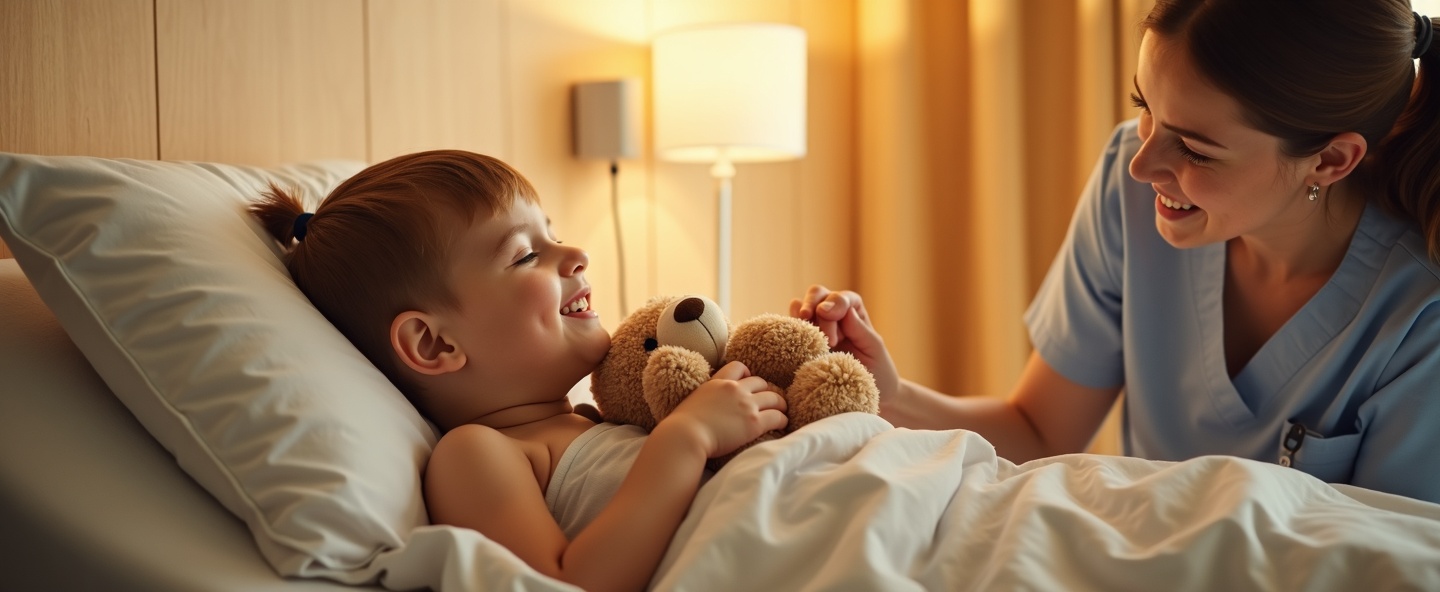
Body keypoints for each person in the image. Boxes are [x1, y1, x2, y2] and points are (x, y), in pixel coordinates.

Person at [793, 0, 1440, 504]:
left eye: (1194, 148)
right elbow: (1039, 431)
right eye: (1145, 108)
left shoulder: (1419, 317)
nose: (1140, 163)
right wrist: (892, 391)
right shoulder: (1132, 199)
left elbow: (1382, 553)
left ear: (1329, 159)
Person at [250, 150, 788, 591]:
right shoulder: (476, 453)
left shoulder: (598, 417)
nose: (576, 252)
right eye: (526, 255)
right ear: (434, 343)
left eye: (551, 234)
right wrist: (687, 437)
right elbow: (566, 583)